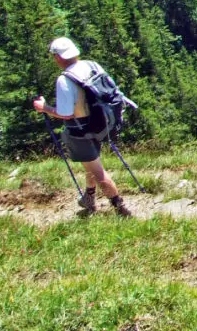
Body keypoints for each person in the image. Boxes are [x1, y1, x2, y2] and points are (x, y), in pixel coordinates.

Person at [33, 36, 132, 217]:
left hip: (80, 131)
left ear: (58, 57)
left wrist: (44, 108)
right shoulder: (91, 65)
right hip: (101, 124)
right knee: (90, 162)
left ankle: (121, 209)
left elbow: (65, 113)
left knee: (97, 171)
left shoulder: (65, 80)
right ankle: (89, 197)